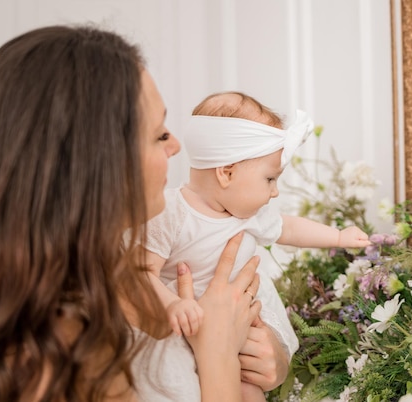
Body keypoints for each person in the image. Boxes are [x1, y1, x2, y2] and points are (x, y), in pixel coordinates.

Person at [0, 25, 288, 402]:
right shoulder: (58, 342)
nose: (175, 146)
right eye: (159, 135)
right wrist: (219, 356)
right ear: (97, 165)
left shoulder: (130, 261)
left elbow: (263, 325)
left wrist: (269, 354)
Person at [133, 91, 373, 401]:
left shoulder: (249, 215)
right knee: (180, 387)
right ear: (226, 173)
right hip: (181, 329)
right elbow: (141, 272)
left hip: (239, 327)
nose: (274, 193)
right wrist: (173, 304)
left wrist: (337, 237)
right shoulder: (171, 212)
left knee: (250, 391)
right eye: (270, 179)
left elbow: (289, 227)